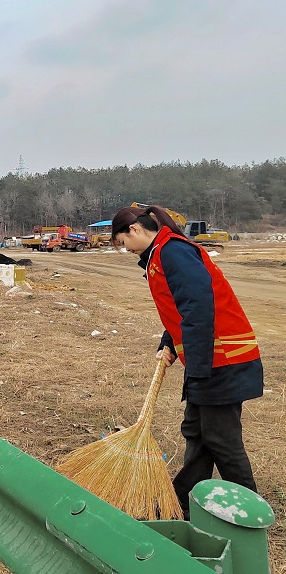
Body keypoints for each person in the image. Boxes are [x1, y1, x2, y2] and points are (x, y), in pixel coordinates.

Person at [111, 205, 263, 518]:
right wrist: (169, 342)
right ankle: (182, 504)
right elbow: (180, 307)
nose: (124, 250)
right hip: (209, 358)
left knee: (221, 439)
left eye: (122, 243)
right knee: (197, 432)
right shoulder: (160, 254)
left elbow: (199, 307)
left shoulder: (173, 252)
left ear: (135, 230)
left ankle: (250, 511)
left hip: (222, 358)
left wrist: (198, 369)